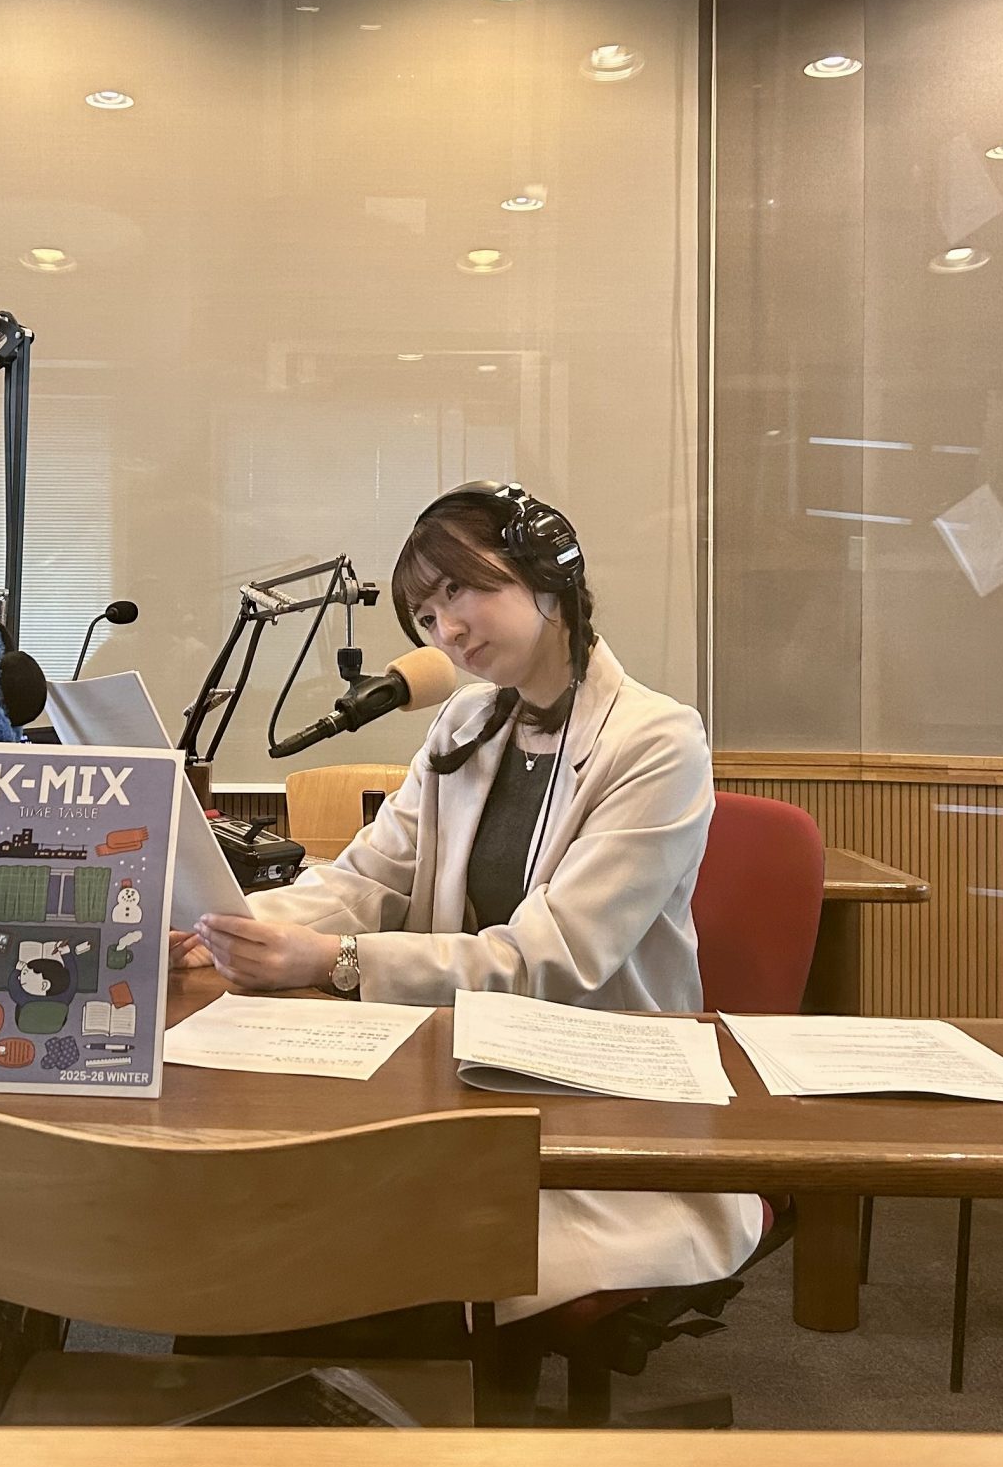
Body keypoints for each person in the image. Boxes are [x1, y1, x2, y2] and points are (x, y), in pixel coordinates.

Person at [180, 481, 761, 1320]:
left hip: (599, 1097)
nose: (446, 630)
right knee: (272, 1210)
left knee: (370, 1242)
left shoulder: (656, 740)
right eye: (424, 615)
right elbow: (369, 878)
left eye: (461, 590)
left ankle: (412, 1396)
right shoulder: (466, 722)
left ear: (549, 574)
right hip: (461, 1071)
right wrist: (223, 923)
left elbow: (549, 961)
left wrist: (337, 961)